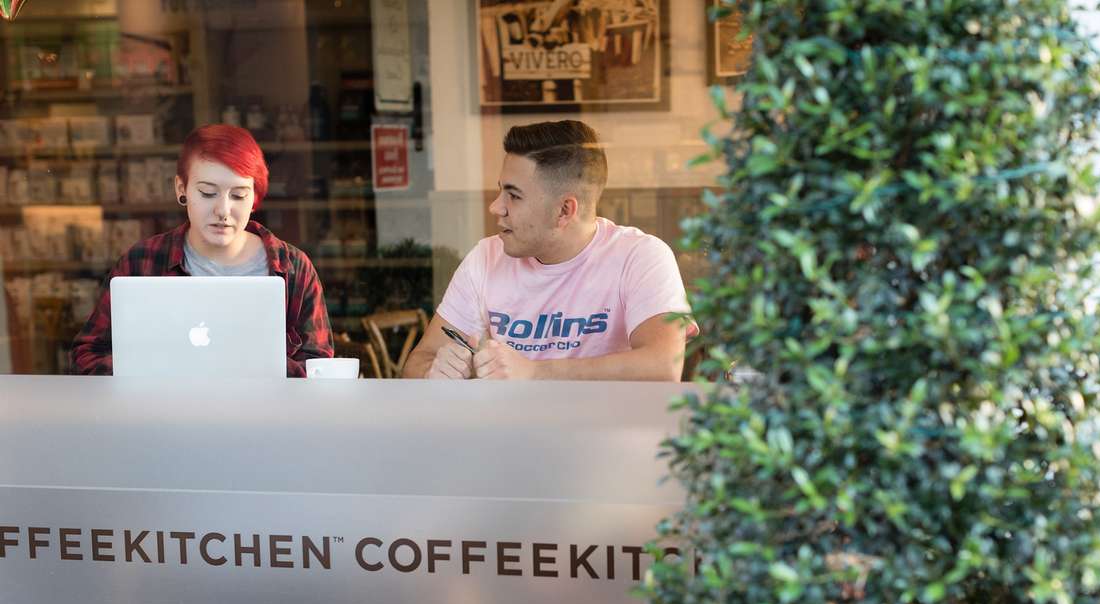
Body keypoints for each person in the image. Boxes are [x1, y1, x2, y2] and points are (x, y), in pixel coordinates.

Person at [402, 120, 693, 381]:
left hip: (608, 436)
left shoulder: (640, 256)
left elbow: (664, 365)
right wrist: (434, 371)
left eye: (513, 195)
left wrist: (536, 371)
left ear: (564, 210)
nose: (495, 207)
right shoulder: (485, 258)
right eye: (500, 190)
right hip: (509, 437)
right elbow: (417, 362)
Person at [71, 124, 333, 377]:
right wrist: (152, 371)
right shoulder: (141, 263)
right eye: (208, 193)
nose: (223, 210)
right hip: (163, 417)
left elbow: (318, 368)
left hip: (264, 419)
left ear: (255, 197)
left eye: (239, 195)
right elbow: (87, 355)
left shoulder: (293, 269)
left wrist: (247, 368)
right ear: (181, 189)